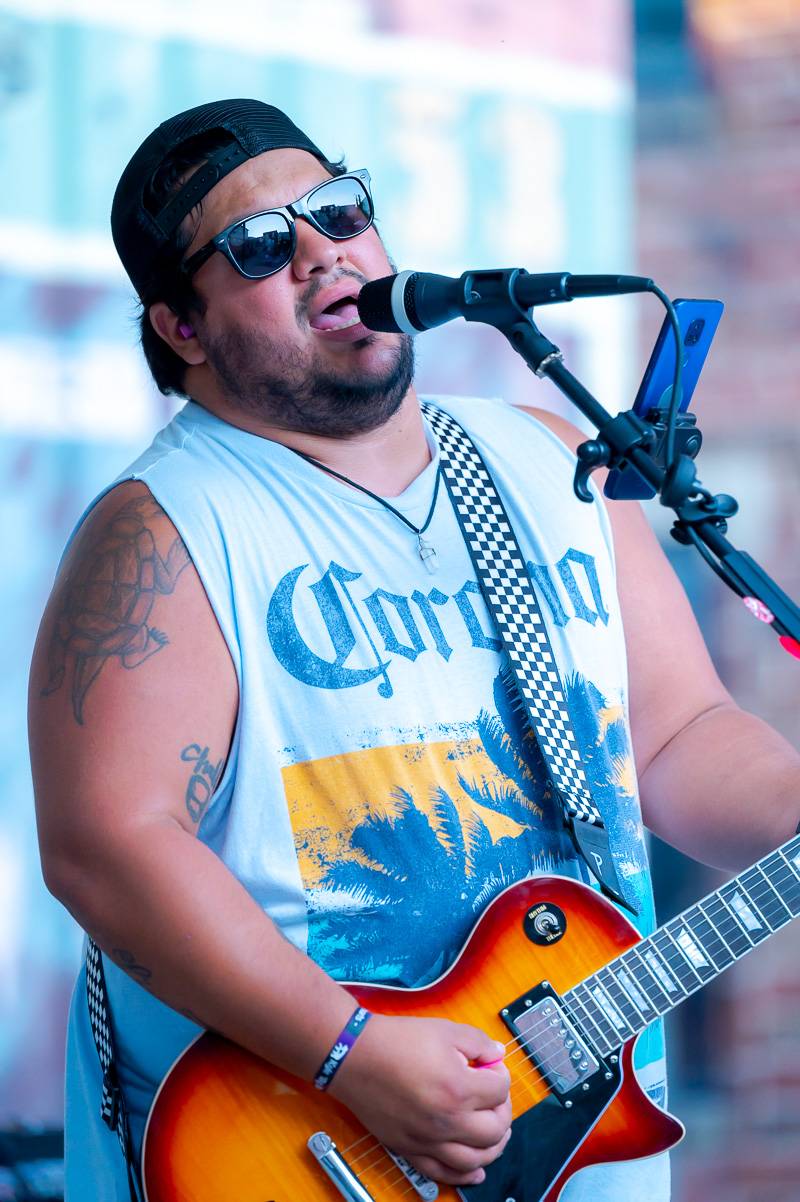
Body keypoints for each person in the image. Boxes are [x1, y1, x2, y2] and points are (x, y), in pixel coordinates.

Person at [29, 98, 800, 1202]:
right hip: (311, 1142)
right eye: (257, 245)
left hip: (572, 1126)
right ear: (179, 327)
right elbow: (107, 847)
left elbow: (674, 732)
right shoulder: (165, 526)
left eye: (337, 211)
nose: (320, 252)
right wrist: (353, 1051)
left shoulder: (542, 462)